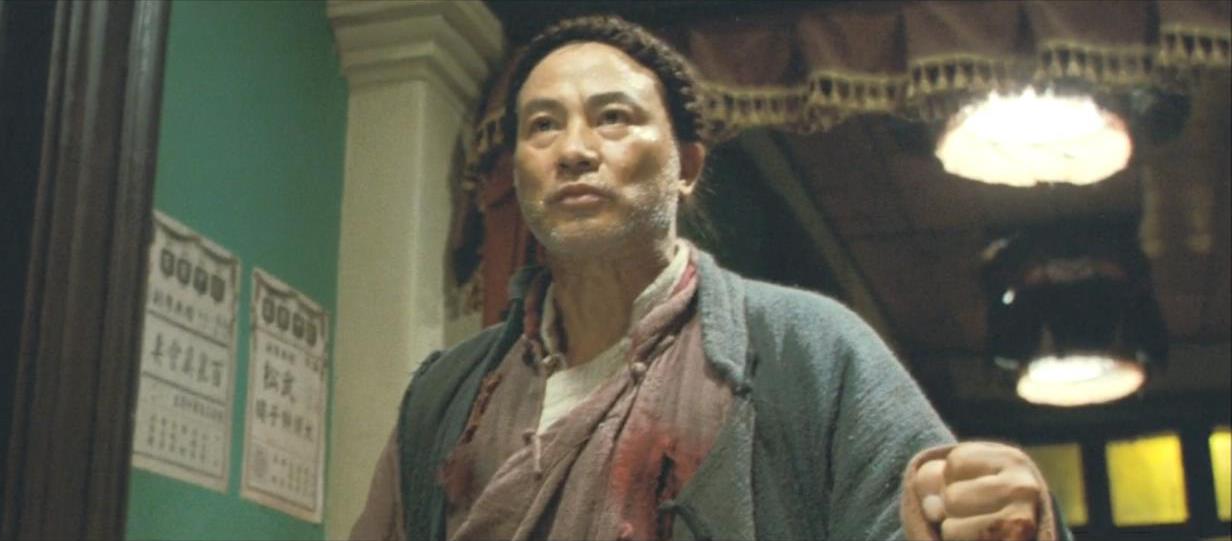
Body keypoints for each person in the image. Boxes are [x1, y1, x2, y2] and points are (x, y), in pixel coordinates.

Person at [352, 15, 1068, 541]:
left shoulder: (804, 349)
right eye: (542, 126)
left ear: (687, 166)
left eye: (612, 118)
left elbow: (937, 516)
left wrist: (999, 512)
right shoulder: (447, 395)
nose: (572, 149)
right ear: (517, 171)